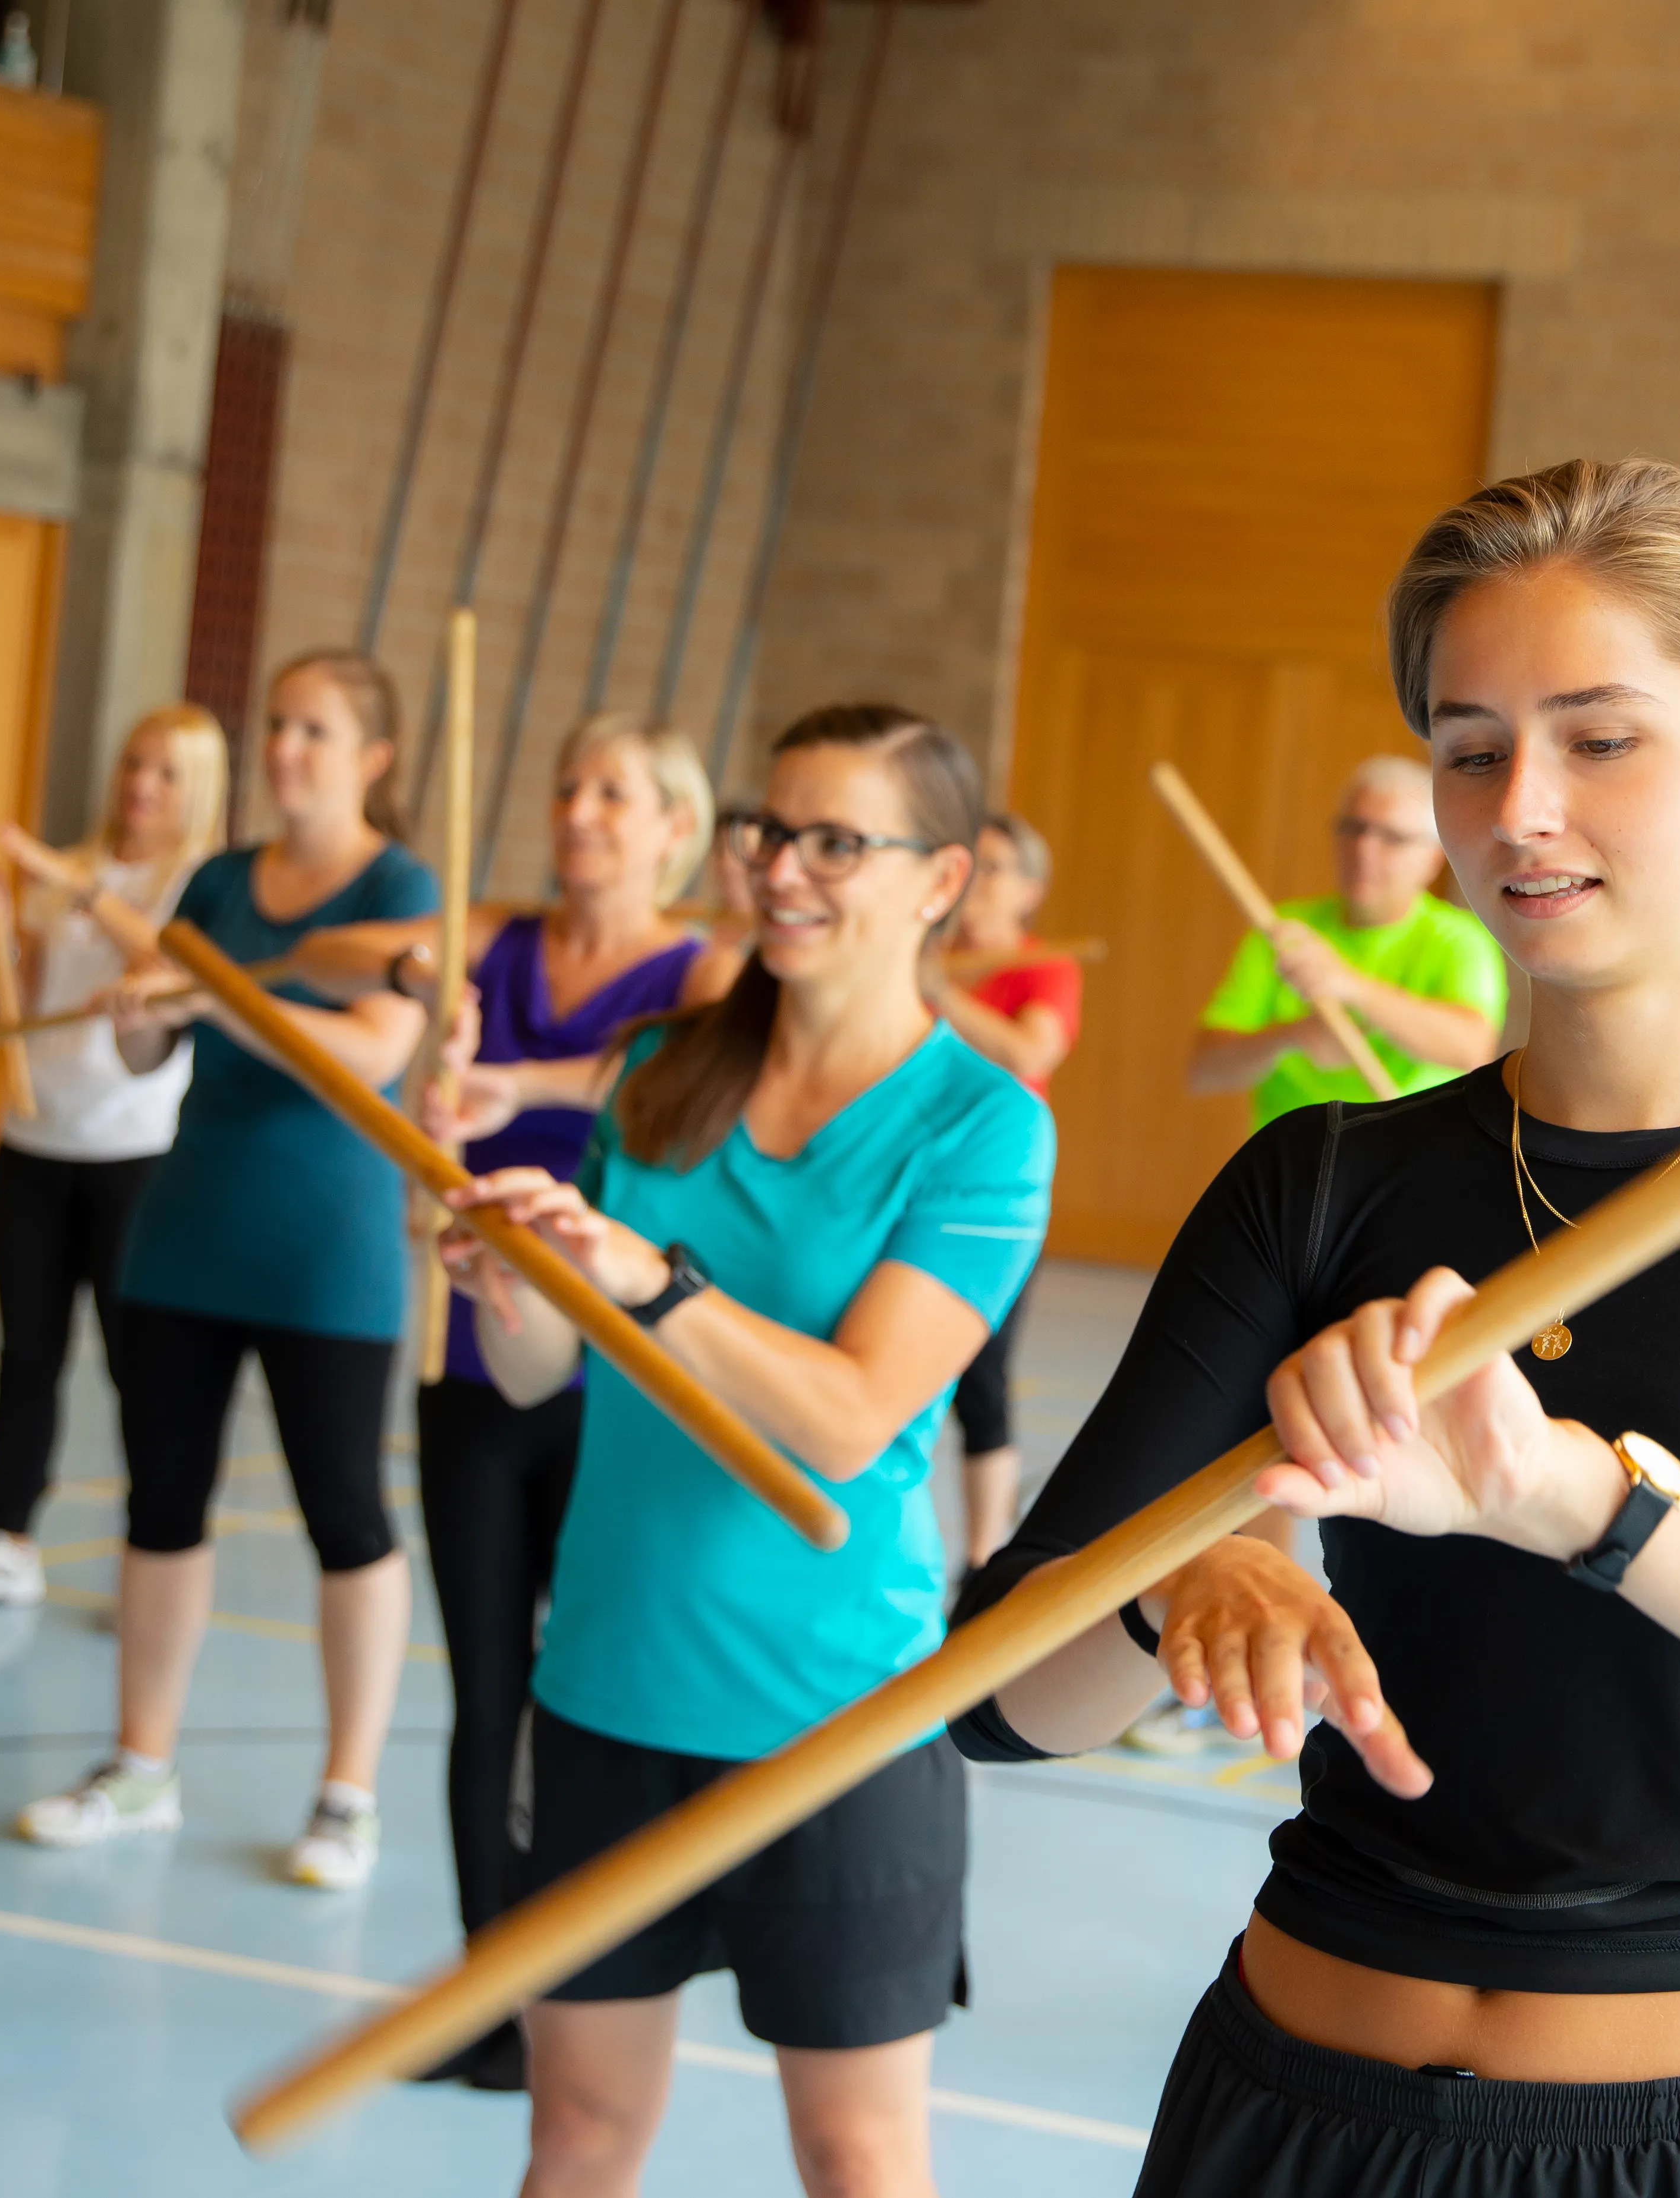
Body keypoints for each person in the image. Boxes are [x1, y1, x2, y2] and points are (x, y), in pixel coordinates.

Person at [955, 457, 1680, 2198]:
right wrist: (1202, 1564)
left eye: (1600, 739)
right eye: (1472, 746)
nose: (1516, 808)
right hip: (1289, 2117)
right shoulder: (1322, 1183)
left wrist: (1582, 1498)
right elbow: (1002, 1695)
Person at [436, 702, 1051, 2198]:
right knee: (576, 2136)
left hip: (837, 1719)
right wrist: (507, 1283)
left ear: (939, 879)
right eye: (770, 830)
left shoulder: (983, 1126)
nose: (780, 867)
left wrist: (649, 1277)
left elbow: (852, 1415)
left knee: (853, 2157)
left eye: (836, 840)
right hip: (607, 1685)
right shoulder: (660, 1067)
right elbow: (534, 1376)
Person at [284, 710, 738, 2090]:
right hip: (478, 1361)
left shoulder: (703, 964)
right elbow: (318, 951)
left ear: (674, 826)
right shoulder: (495, 938)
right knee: (489, 1688)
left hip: (627, 1380)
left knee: (593, 1692)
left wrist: (515, 1077)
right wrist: (431, 978)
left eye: (614, 792)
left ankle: (584, 1988)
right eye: (567, 786)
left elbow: (671, 1073)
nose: (581, 810)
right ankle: (491, 1985)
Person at [7, 650, 438, 1891]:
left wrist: (216, 990)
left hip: (327, 1249)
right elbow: (154, 1051)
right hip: (188, 1233)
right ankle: (140, 1764)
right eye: (278, 724)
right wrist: (145, 1011)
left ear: (372, 758)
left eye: (313, 729)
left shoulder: (401, 888)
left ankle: (345, 1795)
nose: (285, 747)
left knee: (346, 1518)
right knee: (161, 1505)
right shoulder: (218, 880)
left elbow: (365, 1054)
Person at [0, 704, 229, 1615]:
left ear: (197, 790)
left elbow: (169, 959)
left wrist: (71, 882)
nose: (141, 785)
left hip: (133, 1156)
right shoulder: (76, 874)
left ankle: (154, 1562)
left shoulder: (194, 886)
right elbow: (7, 1000)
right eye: (135, 764)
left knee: (140, 1367)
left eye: (167, 773)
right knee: (27, 1354)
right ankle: (7, 1539)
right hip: (35, 1143)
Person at [920, 811, 1082, 1574]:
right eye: (968, 864)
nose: (976, 884)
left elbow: (1028, 1049)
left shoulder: (1046, 965)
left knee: (982, 1379)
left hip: (994, 1188)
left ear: (1030, 889)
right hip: (909, 1169)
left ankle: (985, 1567)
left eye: (994, 868)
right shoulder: (929, 955)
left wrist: (936, 993)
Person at [1187, 752, 1506, 1127]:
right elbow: (1204, 1071)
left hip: (1407, 1160)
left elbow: (1471, 1050)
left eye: (1391, 837)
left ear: (1433, 858)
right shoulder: (1284, 931)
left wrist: (1349, 985)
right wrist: (1293, 1037)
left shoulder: (1458, 940)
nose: (1364, 850)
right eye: (1354, 828)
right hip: (1295, 1158)